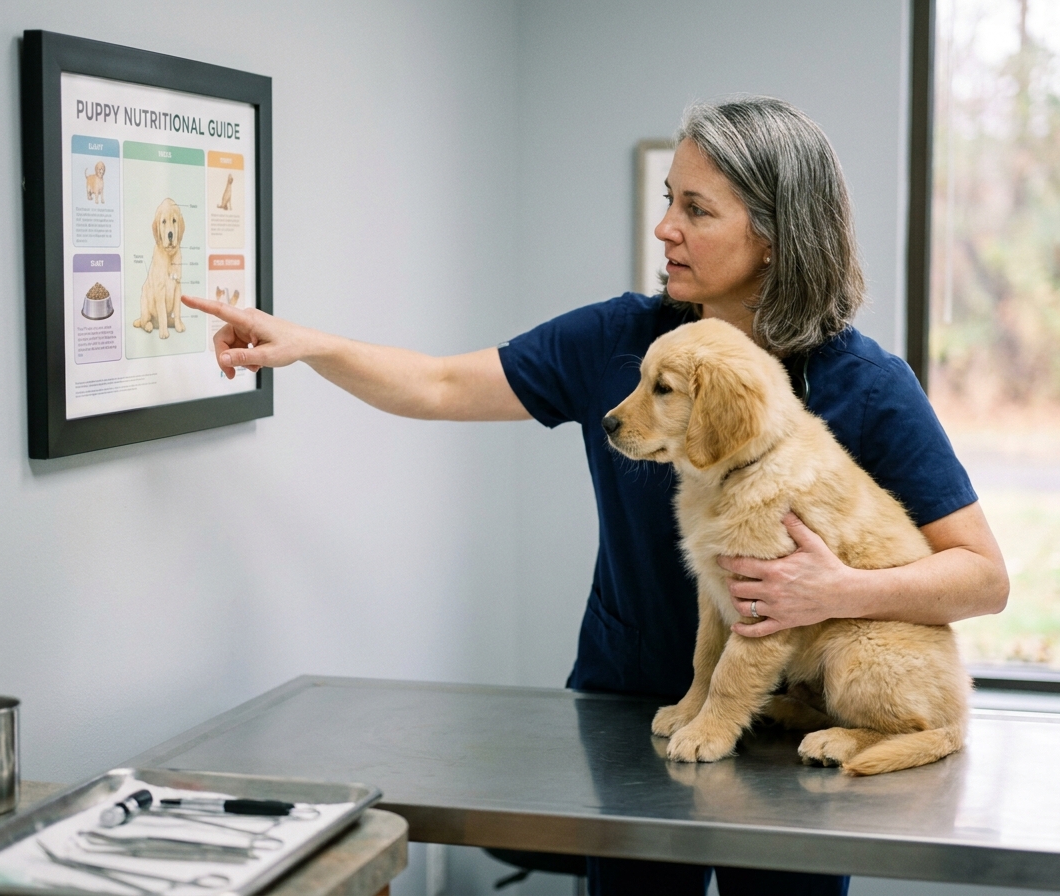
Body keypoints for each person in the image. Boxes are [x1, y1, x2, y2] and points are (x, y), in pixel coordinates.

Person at [183, 95, 1009, 896]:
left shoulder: (867, 385)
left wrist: (838, 592)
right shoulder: (617, 340)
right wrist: (308, 343)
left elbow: (981, 577)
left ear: (773, 234)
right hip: (632, 714)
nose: (665, 229)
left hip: (792, 736)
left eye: (696, 209)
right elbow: (436, 385)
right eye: (667, 201)